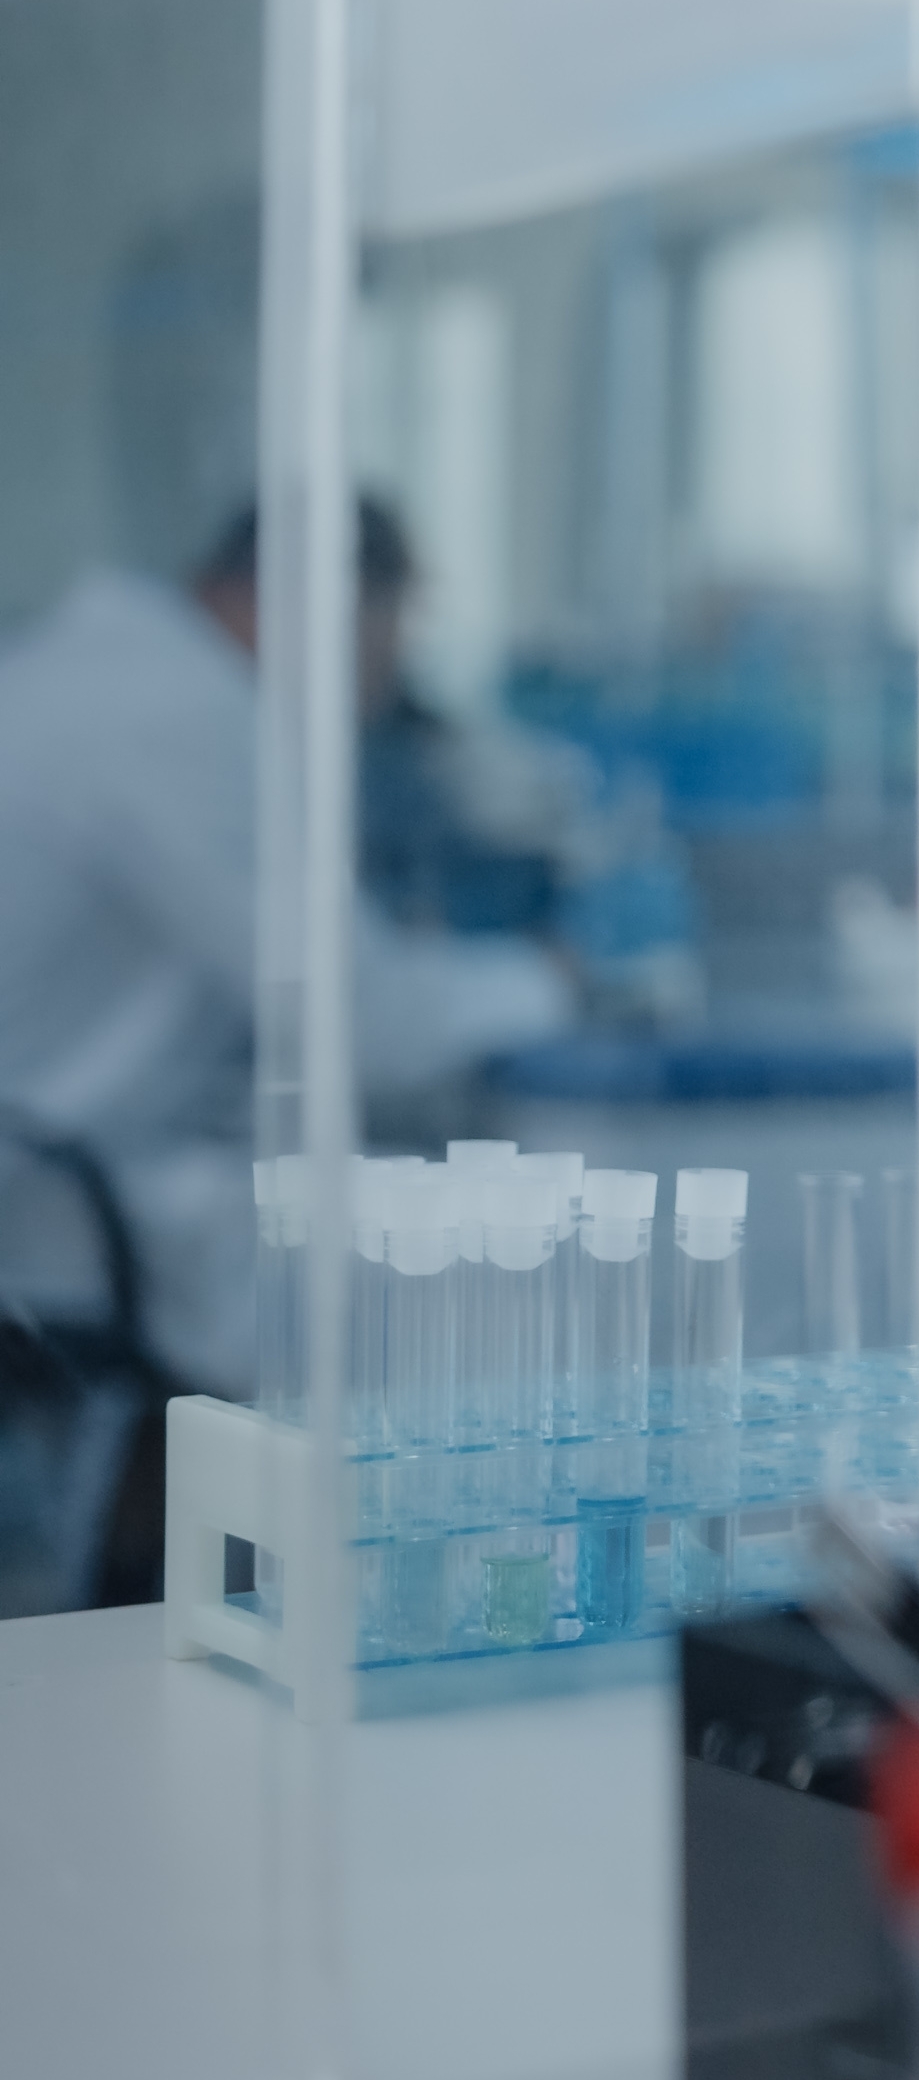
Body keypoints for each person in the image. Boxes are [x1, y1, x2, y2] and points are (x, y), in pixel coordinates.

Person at [0, 498, 569, 1402]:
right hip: (49, 1198)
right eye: (388, 638)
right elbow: (364, 1020)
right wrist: (544, 980)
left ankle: (159, 1513)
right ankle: (230, 1528)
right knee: (456, 1280)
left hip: (54, 1167)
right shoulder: (179, 711)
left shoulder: (104, 671)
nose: (386, 676)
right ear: (332, 609)